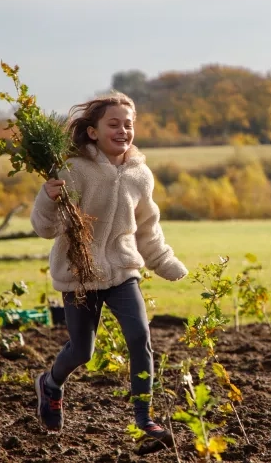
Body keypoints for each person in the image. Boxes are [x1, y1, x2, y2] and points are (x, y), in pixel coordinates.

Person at [30, 92, 188, 446]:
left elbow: (147, 226)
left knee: (140, 337)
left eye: (128, 124)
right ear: (93, 132)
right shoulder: (75, 170)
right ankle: (51, 382)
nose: (123, 130)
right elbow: (46, 229)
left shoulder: (141, 175)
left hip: (122, 271)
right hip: (79, 274)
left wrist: (163, 260)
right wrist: (47, 197)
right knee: (83, 351)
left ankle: (145, 419)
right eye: (113, 124)